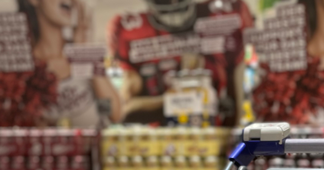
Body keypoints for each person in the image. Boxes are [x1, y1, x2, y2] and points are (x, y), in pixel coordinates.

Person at [107, 0, 253, 125]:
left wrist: (237, 129)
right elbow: (126, 106)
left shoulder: (224, 14)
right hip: (162, 141)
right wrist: (177, 99)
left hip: (215, 133)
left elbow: (239, 83)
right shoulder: (132, 30)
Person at [17, 0, 121, 126]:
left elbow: (113, 114)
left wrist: (85, 51)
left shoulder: (89, 52)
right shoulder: (20, 67)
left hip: (94, 144)